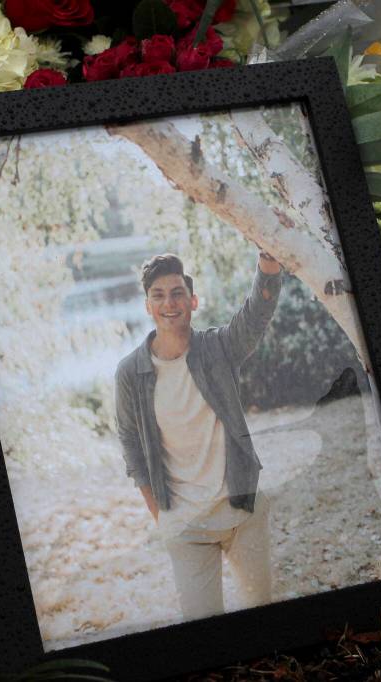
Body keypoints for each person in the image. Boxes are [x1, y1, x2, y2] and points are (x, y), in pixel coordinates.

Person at [114, 251, 282, 620]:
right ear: (147, 306)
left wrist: (269, 264)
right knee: (203, 628)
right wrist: (161, 516)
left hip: (242, 511)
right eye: (158, 295)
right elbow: (130, 443)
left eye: (176, 293)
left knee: (266, 615)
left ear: (193, 301)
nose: (168, 303)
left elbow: (255, 316)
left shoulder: (218, 348)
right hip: (185, 527)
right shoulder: (130, 373)